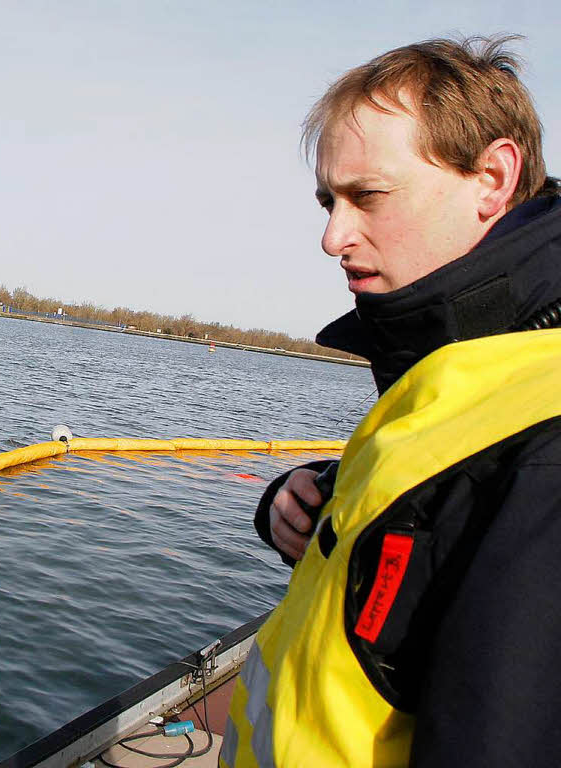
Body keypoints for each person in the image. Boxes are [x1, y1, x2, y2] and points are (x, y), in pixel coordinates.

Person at [220, 36, 561, 768]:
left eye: (367, 196)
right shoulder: (466, 367)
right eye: (328, 201)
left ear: (493, 178)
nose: (332, 236)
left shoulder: (545, 446)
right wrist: (308, 499)